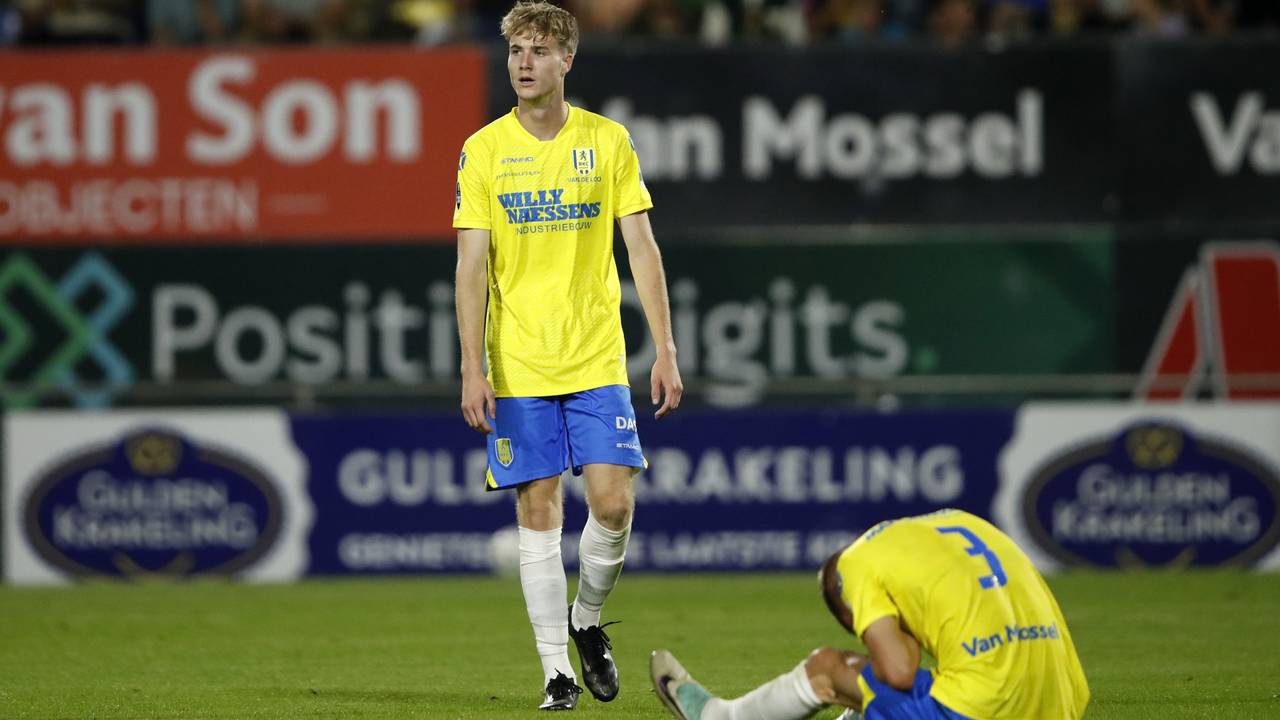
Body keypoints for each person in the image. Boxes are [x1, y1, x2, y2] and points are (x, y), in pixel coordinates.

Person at [453, 0, 683, 711]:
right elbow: (471, 264)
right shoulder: (484, 149)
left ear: (566, 61)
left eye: (538, 51)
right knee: (540, 513)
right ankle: (555, 671)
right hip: (519, 362)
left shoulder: (607, 141)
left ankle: (586, 621)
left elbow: (639, 246)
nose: (523, 63)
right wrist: (470, 364)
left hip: (595, 359)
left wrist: (667, 348)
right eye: (516, 50)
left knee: (612, 508)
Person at [651, 509, 1089, 720]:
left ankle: (718, 719)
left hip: (984, 707)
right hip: (1065, 701)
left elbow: (898, 673)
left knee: (829, 668)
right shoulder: (958, 523)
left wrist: (885, 644)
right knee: (875, 690)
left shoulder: (857, 566)